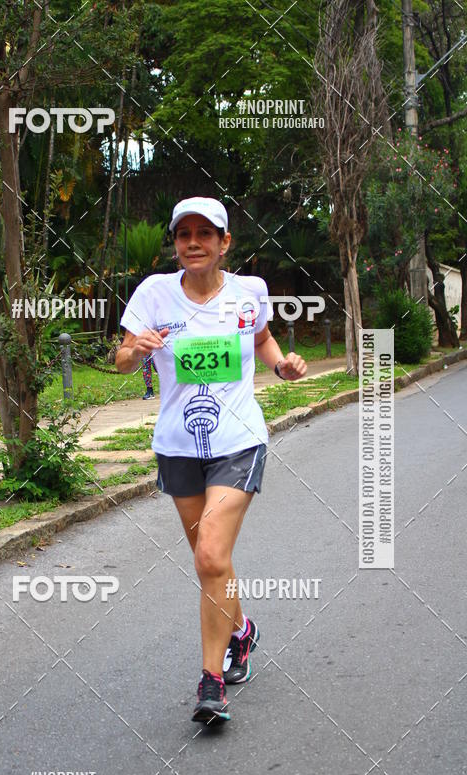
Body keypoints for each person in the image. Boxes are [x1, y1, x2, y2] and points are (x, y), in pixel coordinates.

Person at [115, 197, 307, 726]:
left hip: (239, 440)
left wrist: (282, 367)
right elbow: (123, 358)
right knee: (211, 562)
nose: (193, 242)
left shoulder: (250, 292)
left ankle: (211, 682)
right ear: (175, 243)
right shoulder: (154, 293)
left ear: (225, 243)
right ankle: (241, 633)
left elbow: (263, 339)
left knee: (208, 556)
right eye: (184, 235)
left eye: (206, 233)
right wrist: (135, 352)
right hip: (178, 445)